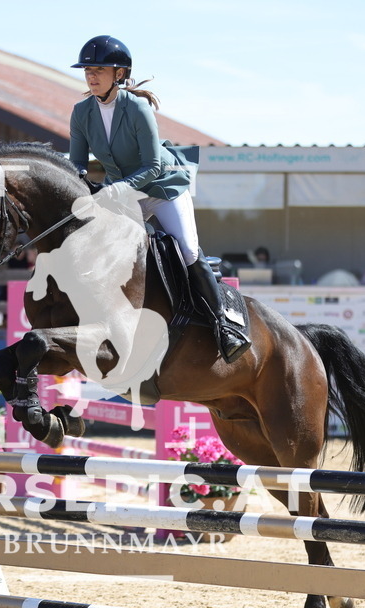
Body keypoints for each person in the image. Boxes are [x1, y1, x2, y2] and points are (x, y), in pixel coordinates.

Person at [69, 35, 250, 363]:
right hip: (124, 193)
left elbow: (152, 166)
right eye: (87, 70)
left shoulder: (137, 108)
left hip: (163, 187)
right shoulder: (82, 112)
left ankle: (223, 325)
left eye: (99, 70)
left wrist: (118, 189)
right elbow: (78, 163)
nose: (91, 76)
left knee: (187, 249)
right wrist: (78, 186)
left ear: (119, 74)